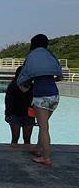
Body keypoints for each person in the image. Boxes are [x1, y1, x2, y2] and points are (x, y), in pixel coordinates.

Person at [17, 34, 63, 167]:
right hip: (54, 95)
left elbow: (24, 77)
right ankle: (38, 148)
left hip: (41, 96)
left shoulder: (32, 56)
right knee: (45, 125)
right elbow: (60, 76)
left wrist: (28, 84)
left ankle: (46, 157)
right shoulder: (50, 55)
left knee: (43, 128)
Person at [5, 66, 35, 146]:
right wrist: (8, 115)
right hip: (15, 115)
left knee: (26, 139)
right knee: (16, 139)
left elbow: (36, 102)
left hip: (29, 116)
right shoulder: (13, 86)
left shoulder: (32, 86)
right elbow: (8, 101)